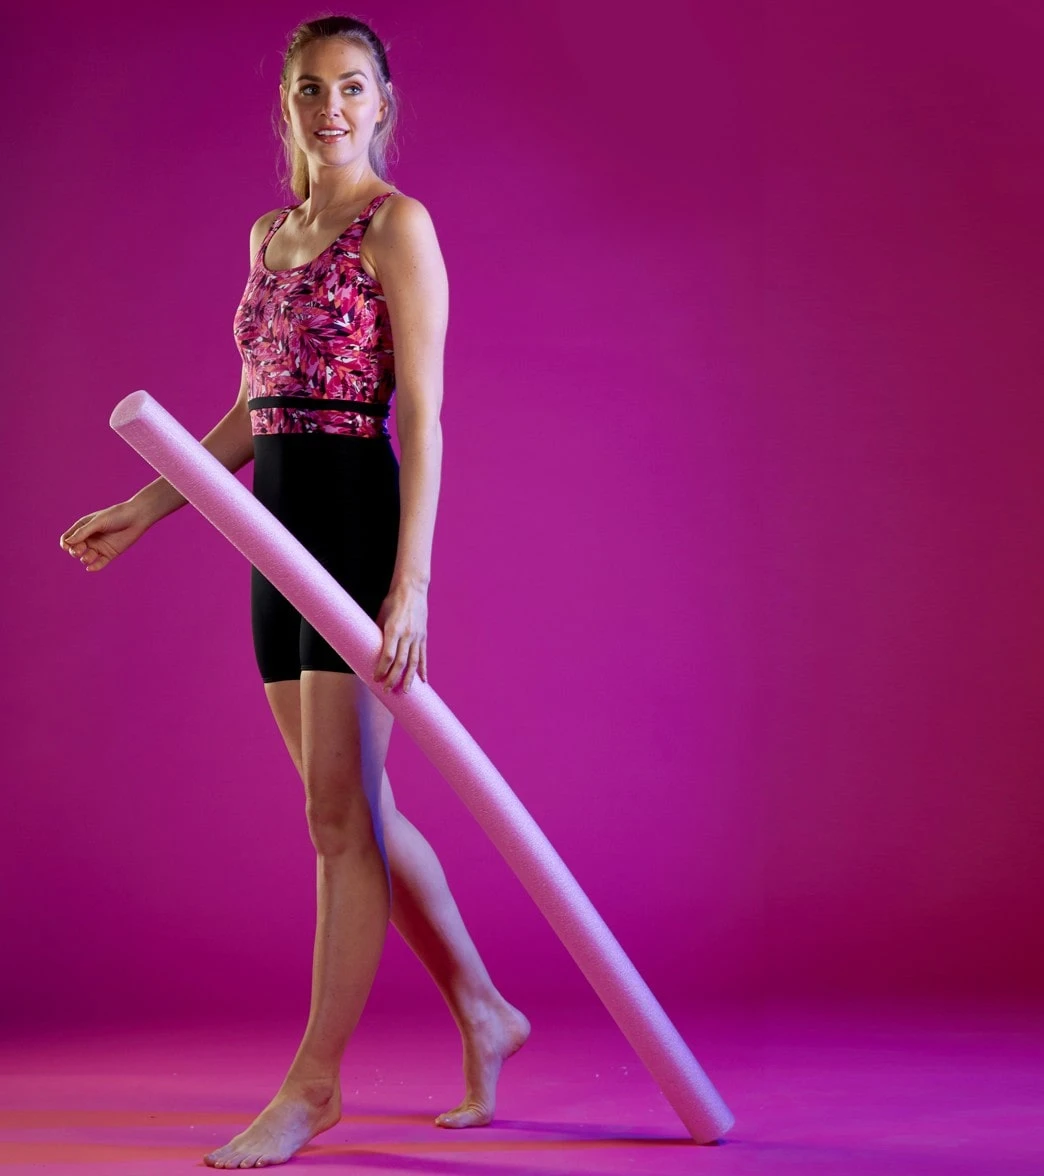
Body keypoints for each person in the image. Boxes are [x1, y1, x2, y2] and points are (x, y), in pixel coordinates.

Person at [58, 14, 529, 1170]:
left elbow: (423, 416)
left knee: (337, 819)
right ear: (289, 104)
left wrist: (412, 585)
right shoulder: (269, 234)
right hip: (270, 536)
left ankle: (313, 1087)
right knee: (357, 811)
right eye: (312, 89)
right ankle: (485, 1009)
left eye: (352, 87)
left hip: (355, 527)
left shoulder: (398, 226)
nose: (332, 108)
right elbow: (251, 410)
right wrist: (147, 504)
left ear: (383, 101)